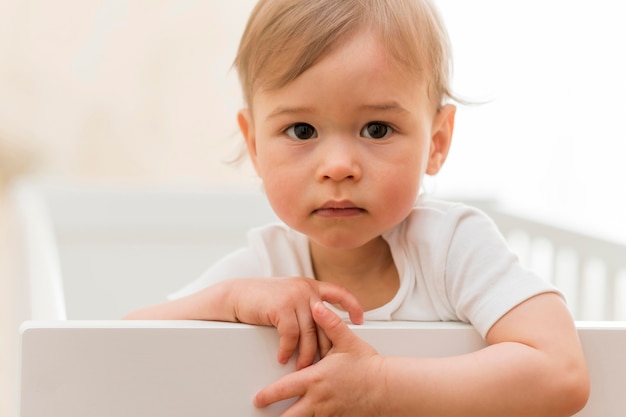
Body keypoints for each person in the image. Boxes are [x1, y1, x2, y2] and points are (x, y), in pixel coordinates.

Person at [125, 0, 590, 415]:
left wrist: (381, 387)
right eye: (302, 131)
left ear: (437, 141)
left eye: (377, 129)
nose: (339, 167)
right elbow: (118, 340)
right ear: (254, 144)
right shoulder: (265, 271)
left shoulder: (451, 247)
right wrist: (229, 300)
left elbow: (562, 371)